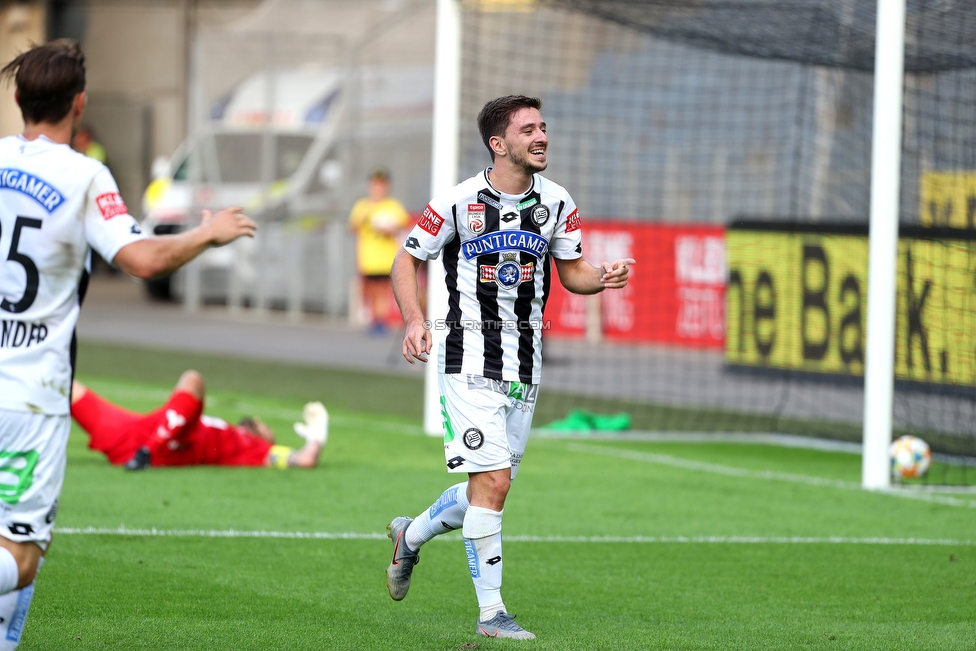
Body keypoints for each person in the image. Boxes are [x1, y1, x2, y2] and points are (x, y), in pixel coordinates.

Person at [0, 40, 257, 649]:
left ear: (17, 99)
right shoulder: (86, 176)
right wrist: (207, 232)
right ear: (80, 104)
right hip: (30, 396)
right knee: (24, 554)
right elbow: (141, 259)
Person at [386, 95, 635, 640]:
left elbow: (573, 273)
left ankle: (410, 537)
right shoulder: (458, 202)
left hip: (526, 361)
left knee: (487, 492)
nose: (542, 136)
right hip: (466, 354)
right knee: (493, 482)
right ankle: (492, 614)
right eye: (529, 129)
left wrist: (604, 276)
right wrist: (413, 320)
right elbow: (406, 257)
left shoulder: (558, 201)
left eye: (544, 126)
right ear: (499, 144)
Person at [70, 371, 328, 470]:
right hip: (131, 433)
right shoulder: (226, 429)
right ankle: (146, 451)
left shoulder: (253, 448)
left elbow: (303, 459)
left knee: (193, 379)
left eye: (265, 427)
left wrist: (317, 437)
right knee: (59, 383)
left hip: (171, 445)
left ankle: (148, 452)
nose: (259, 422)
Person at [348, 167, 410, 333]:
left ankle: (381, 320)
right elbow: (353, 227)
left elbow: (401, 224)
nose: (378, 189)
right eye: (375, 185)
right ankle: (373, 317)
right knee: (370, 289)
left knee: (383, 288)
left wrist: (389, 228)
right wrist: (366, 219)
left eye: (381, 185)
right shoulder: (362, 206)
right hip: (368, 257)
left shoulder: (393, 206)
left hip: (385, 257)